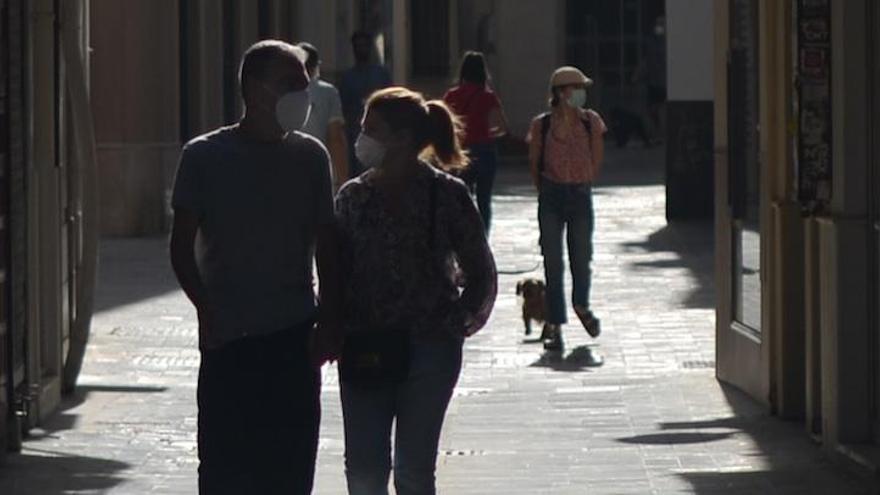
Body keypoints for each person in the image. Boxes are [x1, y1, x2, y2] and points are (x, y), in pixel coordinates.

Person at [169, 40, 342, 494]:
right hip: (230, 341)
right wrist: (206, 308)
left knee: (289, 470)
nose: (302, 97)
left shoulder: (310, 158)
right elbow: (181, 247)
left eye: (305, 85)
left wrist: (330, 318)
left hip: (294, 339)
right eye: (291, 85)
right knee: (226, 470)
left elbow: (327, 242)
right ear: (255, 89)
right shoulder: (203, 157)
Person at [335, 87, 497, 494]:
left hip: (429, 349)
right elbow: (334, 270)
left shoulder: (447, 194)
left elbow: (481, 271)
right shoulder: (353, 197)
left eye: (372, 130)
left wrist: (457, 322)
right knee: (365, 470)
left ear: (403, 138)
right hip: (364, 345)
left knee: (414, 470)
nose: (362, 139)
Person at [526, 66, 607, 351]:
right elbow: (534, 161)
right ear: (562, 92)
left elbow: (597, 159)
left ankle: (581, 305)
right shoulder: (542, 124)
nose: (582, 93)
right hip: (551, 195)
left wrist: (582, 180)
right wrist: (545, 189)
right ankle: (555, 323)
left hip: (580, 194)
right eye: (577, 88)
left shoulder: (591, 122)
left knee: (581, 257)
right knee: (553, 262)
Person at [443, 51, 509, 233]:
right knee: (484, 200)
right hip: (485, 150)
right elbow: (503, 126)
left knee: (461, 198)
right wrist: (489, 133)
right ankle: (483, 239)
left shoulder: (452, 95)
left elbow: (444, 122)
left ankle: (462, 236)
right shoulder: (488, 96)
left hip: (461, 152)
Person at [339, 31, 392, 178]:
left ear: (370, 48)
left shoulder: (381, 74)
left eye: (364, 46)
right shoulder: (348, 78)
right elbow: (343, 108)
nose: (361, 49)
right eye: (358, 46)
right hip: (356, 132)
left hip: (381, 132)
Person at [299, 41, 350, 191]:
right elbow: (335, 137)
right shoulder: (327, 92)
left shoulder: (282, 91)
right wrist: (342, 179)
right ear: (316, 66)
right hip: (319, 170)